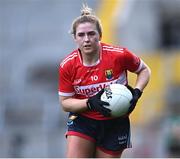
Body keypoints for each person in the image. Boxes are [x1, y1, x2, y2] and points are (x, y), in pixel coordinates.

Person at [58, 4, 151, 158]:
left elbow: (144, 70)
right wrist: (90, 103)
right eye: (81, 35)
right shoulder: (67, 65)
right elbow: (65, 103)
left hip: (115, 122)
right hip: (83, 120)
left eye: (91, 33)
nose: (86, 39)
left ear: (100, 35)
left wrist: (137, 91)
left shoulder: (119, 55)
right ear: (75, 38)